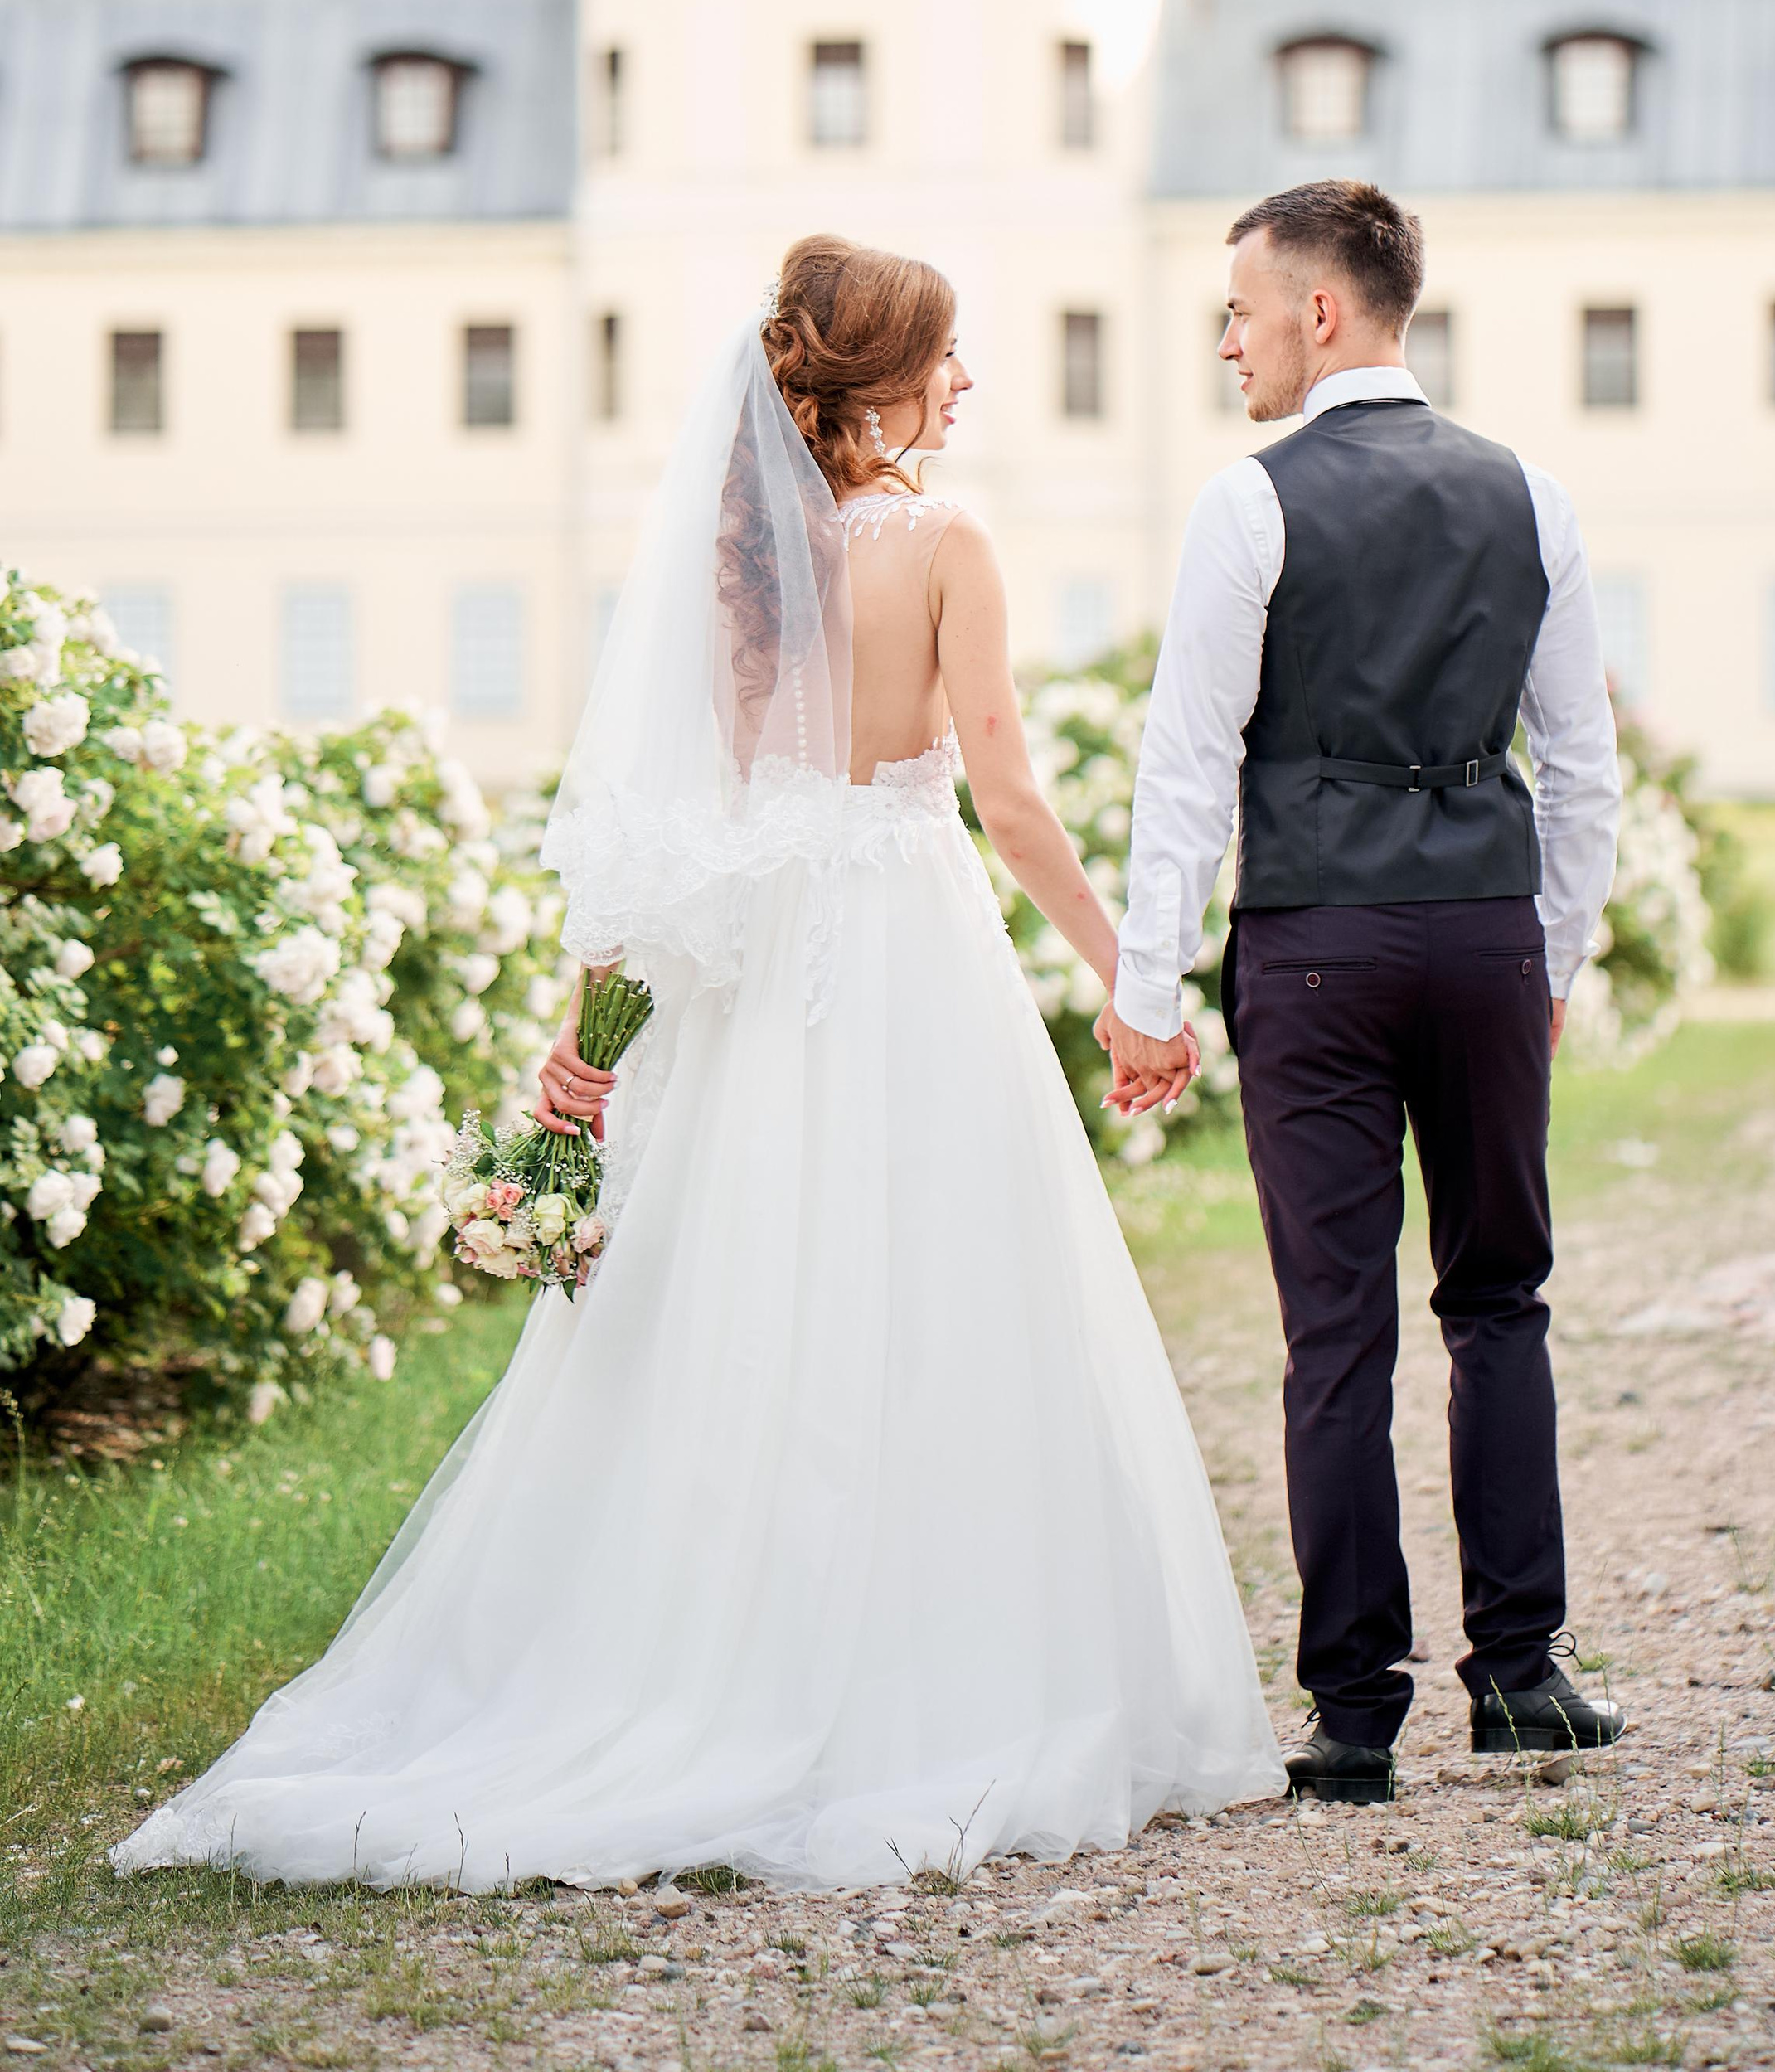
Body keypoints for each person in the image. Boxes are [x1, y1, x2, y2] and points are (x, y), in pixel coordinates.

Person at [115, 236, 1283, 1892]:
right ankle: (922, 1673)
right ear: (875, 382)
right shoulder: (946, 540)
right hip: (895, 954)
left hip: (741, 975)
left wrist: (583, 1037)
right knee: (937, 1295)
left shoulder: (729, 565)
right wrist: (1136, 987)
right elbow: (1006, 801)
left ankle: (700, 1654)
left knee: (739, 1306)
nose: (968, 385)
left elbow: (665, 834)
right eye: (947, 358)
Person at [1101, 180, 1624, 1802]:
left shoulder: (1243, 507)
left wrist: (1146, 987)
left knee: (1334, 1330)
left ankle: (1351, 1717)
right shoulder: (1529, 494)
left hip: (1313, 948)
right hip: (1476, 931)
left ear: (1318, 315)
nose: (1225, 343)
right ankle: (1521, 1674)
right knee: (1498, 1303)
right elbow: (1582, 767)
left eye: (1239, 313)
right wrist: (1545, 959)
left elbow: (1185, 765)